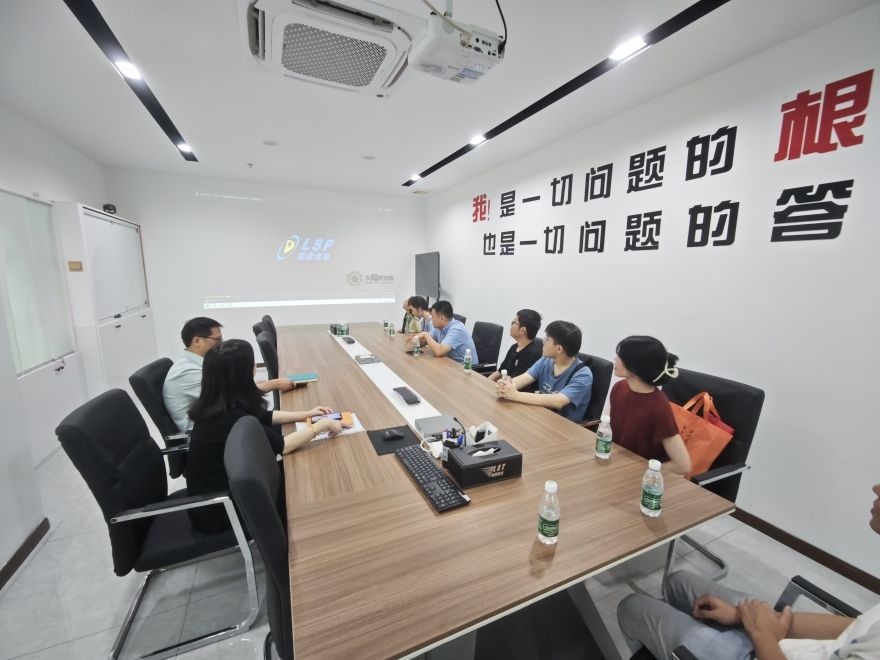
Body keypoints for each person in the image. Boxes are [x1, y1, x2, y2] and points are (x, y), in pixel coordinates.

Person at [617, 483, 880, 659]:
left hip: (763, 651)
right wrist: (745, 617)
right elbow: (857, 627)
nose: (876, 488)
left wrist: (763, 635)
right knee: (678, 580)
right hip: (777, 642)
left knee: (631, 606)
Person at [185, 339, 343, 533]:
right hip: (221, 509)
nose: (255, 367)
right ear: (241, 374)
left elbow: (265, 416)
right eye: (252, 363)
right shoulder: (228, 417)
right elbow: (284, 446)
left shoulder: (220, 400)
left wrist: (307, 414)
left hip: (231, 488)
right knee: (310, 480)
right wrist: (321, 426)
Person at [163, 317, 296, 433]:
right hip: (212, 435)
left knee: (290, 425)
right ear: (197, 341)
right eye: (218, 339)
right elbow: (233, 398)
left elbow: (233, 393)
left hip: (224, 422)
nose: (221, 343)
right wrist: (273, 383)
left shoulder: (202, 364)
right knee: (289, 431)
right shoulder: (187, 373)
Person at [610, 335, 691, 475]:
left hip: (640, 479)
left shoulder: (658, 408)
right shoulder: (620, 387)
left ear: (635, 365)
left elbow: (683, 466)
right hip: (616, 467)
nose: (615, 359)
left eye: (620, 356)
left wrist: (641, 470)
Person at [495, 320, 592, 421]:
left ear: (559, 349)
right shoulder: (546, 360)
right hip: (541, 416)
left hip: (563, 425)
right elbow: (526, 377)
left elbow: (558, 401)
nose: (543, 341)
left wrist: (515, 395)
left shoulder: (583, 375)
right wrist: (506, 386)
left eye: (547, 339)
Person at [488, 309, 544, 388]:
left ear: (522, 330)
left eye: (513, 322)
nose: (511, 325)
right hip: (505, 388)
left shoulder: (532, 354)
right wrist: (486, 382)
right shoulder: (514, 347)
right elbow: (500, 371)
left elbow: (515, 385)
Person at [409, 300, 477, 363]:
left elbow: (439, 351)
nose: (431, 319)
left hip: (466, 368)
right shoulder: (438, 327)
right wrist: (416, 339)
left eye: (433, 316)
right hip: (449, 363)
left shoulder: (457, 329)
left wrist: (425, 334)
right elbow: (425, 341)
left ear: (442, 318)